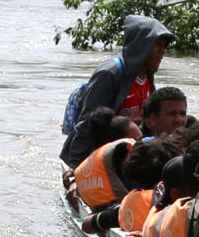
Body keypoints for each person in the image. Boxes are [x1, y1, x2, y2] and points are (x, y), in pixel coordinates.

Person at [60, 15, 174, 167]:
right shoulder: (110, 73)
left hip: (123, 155)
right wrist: (75, 167)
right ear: (142, 45)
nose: (163, 51)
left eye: (164, 46)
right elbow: (88, 122)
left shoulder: (147, 74)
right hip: (96, 156)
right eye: (157, 45)